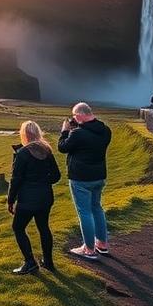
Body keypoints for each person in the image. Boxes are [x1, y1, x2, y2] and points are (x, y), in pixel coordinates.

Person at [58, 102, 112, 261]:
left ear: (80, 115)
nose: (74, 119)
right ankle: (102, 244)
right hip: (99, 176)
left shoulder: (78, 134)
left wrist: (65, 131)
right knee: (97, 208)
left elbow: (62, 147)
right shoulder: (106, 130)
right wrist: (76, 129)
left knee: (85, 212)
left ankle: (88, 249)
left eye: (75, 116)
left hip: (80, 178)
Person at [7, 121, 61, 274]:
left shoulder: (23, 153)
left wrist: (10, 200)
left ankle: (30, 262)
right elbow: (56, 176)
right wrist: (43, 182)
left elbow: (16, 179)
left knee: (18, 227)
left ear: (24, 134)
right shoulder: (47, 151)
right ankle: (48, 262)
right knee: (43, 227)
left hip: (27, 199)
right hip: (45, 197)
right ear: (38, 133)